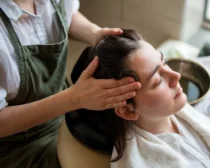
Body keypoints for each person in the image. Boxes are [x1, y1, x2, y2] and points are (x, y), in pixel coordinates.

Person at [71, 29, 210, 168]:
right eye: (158, 80)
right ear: (128, 110)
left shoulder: (172, 112)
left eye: (163, 62)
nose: (176, 76)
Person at [0, 0, 141, 168]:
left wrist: (94, 33)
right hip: (20, 144)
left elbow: (67, 15)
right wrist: (73, 99)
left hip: (66, 108)